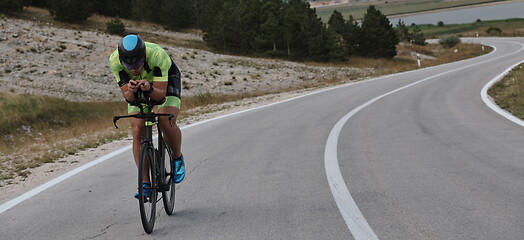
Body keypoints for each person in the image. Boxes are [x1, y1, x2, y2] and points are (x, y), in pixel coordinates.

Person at [108, 34, 185, 198]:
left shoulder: (157, 55)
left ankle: (177, 157)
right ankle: (145, 183)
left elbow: (160, 96)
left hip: (166, 82)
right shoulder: (115, 61)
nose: (133, 68)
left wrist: (149, 89)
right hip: (139, 87)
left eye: (136, 63)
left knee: (165, 121)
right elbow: (128, 98)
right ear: (121, 60)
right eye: (128, 64)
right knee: (137, 131)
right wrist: (131, 90)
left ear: (143, 57)